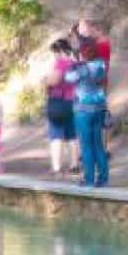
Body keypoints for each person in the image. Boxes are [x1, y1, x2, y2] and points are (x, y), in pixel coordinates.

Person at [64, 45, 111, 187]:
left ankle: (89, 179)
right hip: (99, 108)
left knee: (86, 146)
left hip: (83, 111)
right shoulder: (101, 66)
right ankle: (103, 178)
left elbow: (68, 78)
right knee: (98, 145)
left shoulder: (80, 68)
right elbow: (103, 82)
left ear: (83, 55)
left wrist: (73, 63)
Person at [44, 40, 79, 175]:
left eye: (54, 53)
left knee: (56, 135)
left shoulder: (60, 63)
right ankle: (74, 165)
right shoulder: (75, 64)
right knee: (72, 135)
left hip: (58, 101)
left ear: (59, 51)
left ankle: (56, 167)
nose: (54, 56)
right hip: (73, 101)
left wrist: (46, 82)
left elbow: (55, 80)